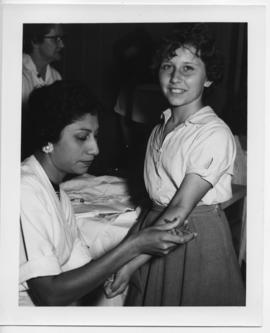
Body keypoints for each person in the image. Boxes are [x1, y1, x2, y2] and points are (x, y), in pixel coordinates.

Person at [19, 80, 196, 306]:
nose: (95, 149)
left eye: (95, 136)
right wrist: (134, 245)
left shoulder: (57, 193)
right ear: (47, 140)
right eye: (82, 137)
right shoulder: (24, 189)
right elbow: (50, 294)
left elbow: (80, 268)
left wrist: (130, 258)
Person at [104, 23, 246, 306]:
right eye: (167, 66)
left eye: (188, 68)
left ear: (208, 79)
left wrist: (129, 263)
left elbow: (180, 209)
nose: (175, 77)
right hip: (155, 233)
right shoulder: (160, 126)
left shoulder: (212, 133)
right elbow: (156, 203)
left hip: (193, 241)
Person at [21, 23, 64, 159]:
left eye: (61, 38)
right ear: (35, 40)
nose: (62, 45)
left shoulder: (56, 77)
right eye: (55, 38)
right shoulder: (16, 73)